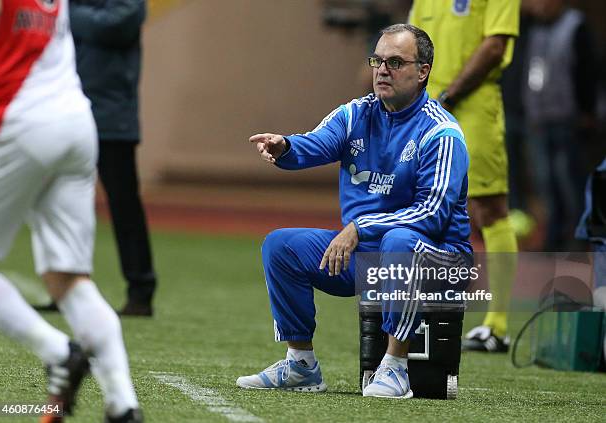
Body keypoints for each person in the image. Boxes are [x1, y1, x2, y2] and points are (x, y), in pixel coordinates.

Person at [236, 24, 472, 398]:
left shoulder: (441, 134)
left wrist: (360, 227)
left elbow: (432, 213)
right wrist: (285, 147)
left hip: (438, 261)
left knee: (400, 240)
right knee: (280, 246)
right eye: (378, 60)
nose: (382, 69)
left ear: (423, 71)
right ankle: (301, 364)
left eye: (395, 62)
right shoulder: (354, 114)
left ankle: (395, 368)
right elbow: (316, 142)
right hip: (371, 256)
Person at [0, 1, 142, 421]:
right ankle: (123, 404)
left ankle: (57, 353)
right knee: (69, 279)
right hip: (76, 123)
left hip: (20, 122)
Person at [410, 0, 520, 353]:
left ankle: (498, 326)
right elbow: (409, 42)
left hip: (472, 107)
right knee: (421, 203)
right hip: (426, 106)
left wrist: (449, 94)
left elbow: (494, 46)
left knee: (489, 209)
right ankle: (420, 315)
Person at [34, 0, 157, 316]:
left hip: (110, 116)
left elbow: (116, 25)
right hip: (67, 108)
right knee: (61, 201)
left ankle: (141, 290)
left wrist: (64, 13)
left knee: (123, 203)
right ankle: (65, 283)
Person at [523, 0, 598, 251]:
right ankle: (553, 237)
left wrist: (586, 112)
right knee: (546, 181)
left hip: (568, 119)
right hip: (540, 119)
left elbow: (588, 70)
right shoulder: (534, 29)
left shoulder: (575, 25)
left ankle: (579, 237)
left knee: (570, 181)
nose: (538, 6)